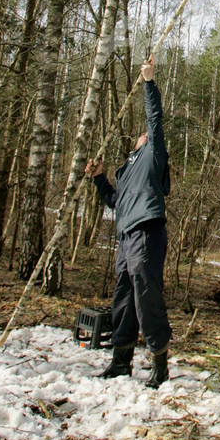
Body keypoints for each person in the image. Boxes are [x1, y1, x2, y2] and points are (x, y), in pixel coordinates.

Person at [85, 57, 172, 388]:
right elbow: (115, 202)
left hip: (147, 232)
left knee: (146, 295)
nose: (140, 135)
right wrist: (98, 178)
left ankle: (160, 363)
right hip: (126, 235)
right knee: (123, 298)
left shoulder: (152, 155)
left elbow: (155, 120)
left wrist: (148, 83)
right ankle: (121, 360)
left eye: (144, 135)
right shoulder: (128, 169)